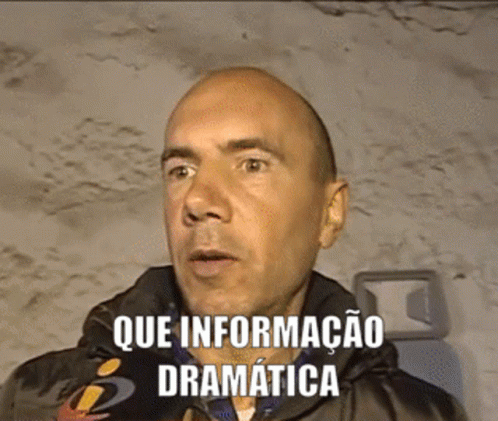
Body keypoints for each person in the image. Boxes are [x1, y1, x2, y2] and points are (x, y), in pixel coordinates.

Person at [0, 67, 468, 420]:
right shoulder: (39, 402)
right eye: (181, 171)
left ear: (330, 213)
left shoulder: (415, 415)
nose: (199, 200)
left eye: (251, 165)